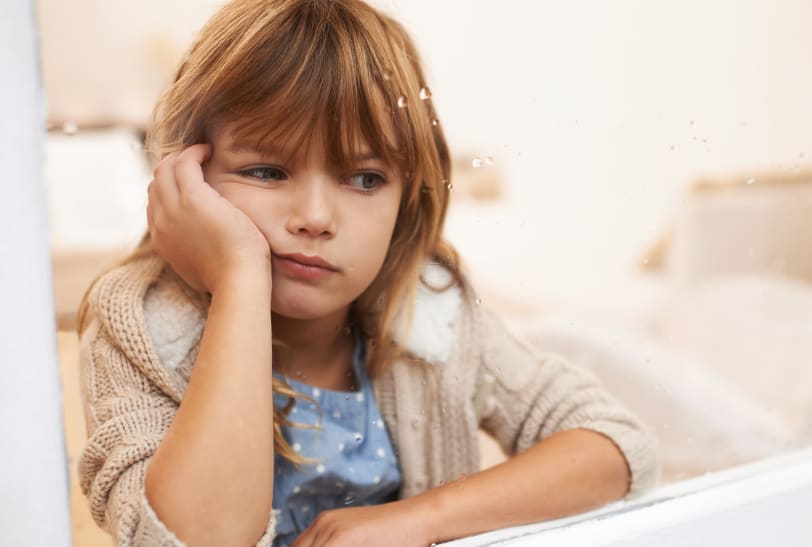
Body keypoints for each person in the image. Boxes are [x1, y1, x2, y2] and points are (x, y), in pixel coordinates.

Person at [75, 0, 658, 545]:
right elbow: (199, 539)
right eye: (267, 171)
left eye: (364, 179)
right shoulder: (142, 323)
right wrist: (240, 278)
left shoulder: (428, 312)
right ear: (186, 174)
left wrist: (411, 521)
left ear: (407, 197)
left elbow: (618, 447)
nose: (315, 217)